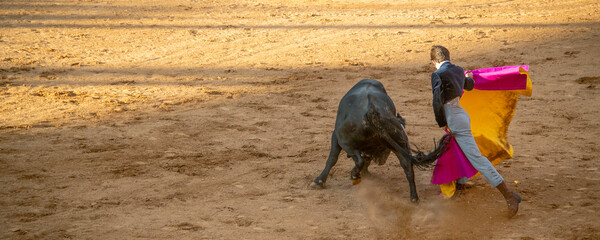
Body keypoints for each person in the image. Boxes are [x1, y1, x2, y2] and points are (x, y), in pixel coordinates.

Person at [429, 45, 522, 217]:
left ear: (434, 62)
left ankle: (510, 196)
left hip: (453, 118)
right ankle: (460, 184)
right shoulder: (458, 70)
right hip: (461, 114)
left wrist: (441, 122)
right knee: (453, 149)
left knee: (478, 159)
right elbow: (469, 86)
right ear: (448, 57)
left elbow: (437, 101)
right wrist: (469, 77)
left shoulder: (437, 74)